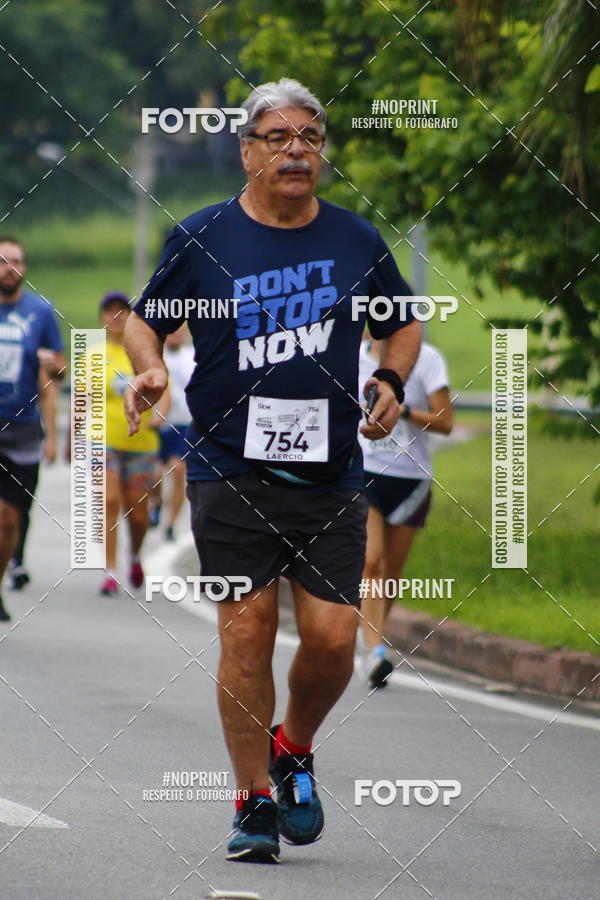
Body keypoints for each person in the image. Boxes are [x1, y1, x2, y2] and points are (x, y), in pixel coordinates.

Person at [123, 77, 420, 864]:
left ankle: (293, 746)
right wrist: (150, 372)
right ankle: (254, 801)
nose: (297, 151)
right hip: (226, 468)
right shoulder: (202, 235)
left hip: (330, 474)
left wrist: (389, 381)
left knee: (329, 643)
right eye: (280, 138)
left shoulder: (356, 240)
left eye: (311, 139)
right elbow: (145, 326)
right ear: (248, 151)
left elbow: (404, 324)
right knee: (247, 632)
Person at [358, 337, 453, 688]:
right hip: (365, 473)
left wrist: (404, 409)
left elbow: (445, 423)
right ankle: (373, 652)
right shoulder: (354, 357)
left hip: (410, 479)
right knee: (371, 561)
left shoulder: (428, 359)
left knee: (392, 573)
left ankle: (369, 636)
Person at [0, 236, 66, 622]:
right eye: (4, 261)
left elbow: (59, 370)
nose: (11, 268)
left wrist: (51, 364)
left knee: (11, 518)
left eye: (18, 262)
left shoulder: (40, 312)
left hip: (23, 430)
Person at [97, 292, 168, 597]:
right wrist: (72, 439)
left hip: (141, 442)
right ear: (102, 317)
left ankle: (135, 555)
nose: (116, 316)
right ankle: (110, 571)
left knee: (137, 514)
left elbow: (164, 389)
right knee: (109, 502)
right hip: (104, 440)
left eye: (122, 311)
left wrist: (160, 414)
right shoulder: (94, 355)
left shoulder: (142, 351)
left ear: (130, 316)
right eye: (109, 311)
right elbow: (83, 400)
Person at [8, 362, 59, 590]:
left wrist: (52, 439)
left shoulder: (31, 334)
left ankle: (16, 560)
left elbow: (49, 390)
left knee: (18, 507)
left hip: (24, 437)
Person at [148, 325, 195, 541]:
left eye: (180, 332)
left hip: (183, 424)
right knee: (154, 473)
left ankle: (170, 524)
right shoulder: (156, 356)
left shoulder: (193, 356)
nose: (177, 335)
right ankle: (156, 502)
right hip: (159, 424)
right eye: (172, 331)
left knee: (177, 471)